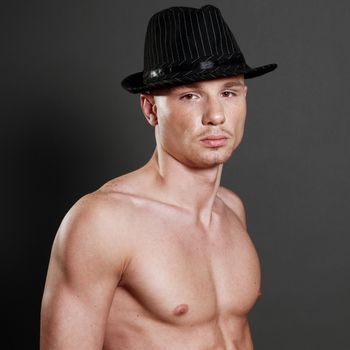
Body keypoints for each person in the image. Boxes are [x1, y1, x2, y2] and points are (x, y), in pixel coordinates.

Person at [40, 5, 277, 350]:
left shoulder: (231, 209)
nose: (215, 116)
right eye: (190, 96)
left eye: (228, 92)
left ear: (244, 98)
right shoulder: (102, 222)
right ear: (151, 109)